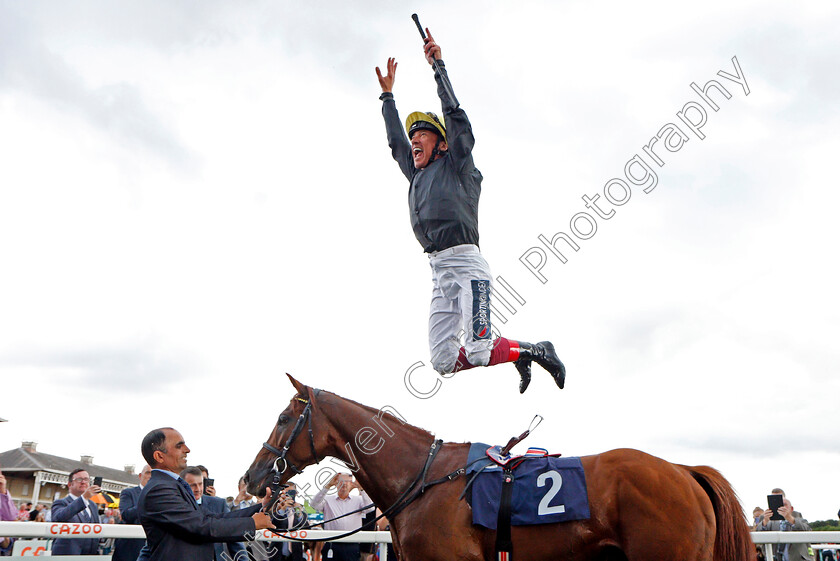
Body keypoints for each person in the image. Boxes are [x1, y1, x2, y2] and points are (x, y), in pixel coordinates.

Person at [376, 30, 566, 394]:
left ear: (443, 144)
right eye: (413, 133)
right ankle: (515, 354)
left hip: (467, 266)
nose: (414, 137)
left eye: (424, 134)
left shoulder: (458, 164)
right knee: (443, 362)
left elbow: (457, 116)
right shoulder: (416, 173)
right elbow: (395, 142)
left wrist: (438, 67)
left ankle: (535, 350)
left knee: (479, 351)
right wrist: (388, 97)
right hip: (438, 273)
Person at [137, 427, 275, 561]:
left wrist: (260, 507)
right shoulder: (158, 490)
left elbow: (211, 518)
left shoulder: (170, 485)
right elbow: (200, 526)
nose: (187, 450)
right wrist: (252, 523)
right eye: (179, 446)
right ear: (159, 456)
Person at [181, 466, 249, 561]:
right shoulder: (176, 505)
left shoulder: (218, 504)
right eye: (192, 485)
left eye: (200, 484)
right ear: (183, 485)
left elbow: (232, 537)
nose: (198, 489)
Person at [311, 473, 373, 561]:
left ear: (352, 484)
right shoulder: (327, 500)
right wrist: (327, 486)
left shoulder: (358, 500)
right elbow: (314, 505)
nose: (344, 483)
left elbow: (370, 508)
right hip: (332, 544)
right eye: (341, 481)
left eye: (347, 481)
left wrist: (361, 488)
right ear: (335, 484)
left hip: (351, 545)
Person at [50, 468, 102, 555]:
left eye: (86, 479)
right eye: (79, 479)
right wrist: (83, 498)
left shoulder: (93, 505)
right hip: (68, 555)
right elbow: (59, 518)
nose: (83, 482)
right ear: (70, 484)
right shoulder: (60, 503)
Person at [755, 488, 814, 561]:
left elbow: (807, 530)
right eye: (774, 501)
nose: (779, 505)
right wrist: (765, 522)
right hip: (773, 557)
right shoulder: (765, 517)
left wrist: (790, 518)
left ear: (791, 508)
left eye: (784, 504)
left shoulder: (797, 515)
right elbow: (757, 536)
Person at [112, 464, 152, 561]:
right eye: (148, 473)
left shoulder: (162, 496)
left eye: (154, 474)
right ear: (140, 476)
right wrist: (147, 500)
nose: (151, 476)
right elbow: (126, 515)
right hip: (131, 549)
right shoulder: (128, 493)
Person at [268, 482, 307, 561]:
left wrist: (299, 512)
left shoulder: (299, 510)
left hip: (295, 555)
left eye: (292, 492)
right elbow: (274, 525)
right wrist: (282, 509)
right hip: (278, 553)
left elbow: (306, 528)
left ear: (296, 494)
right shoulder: (275, 508)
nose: (289, 496)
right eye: (286, 493)